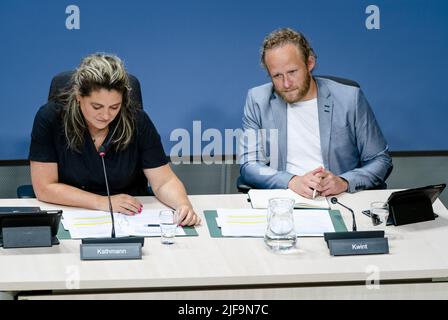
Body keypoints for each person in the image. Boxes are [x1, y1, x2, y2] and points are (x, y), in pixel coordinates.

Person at [29, 53, 200, 226]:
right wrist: (103, 202)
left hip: (130, 215)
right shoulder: (51, 118)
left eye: (114, 107)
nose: (105, 115)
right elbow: (45, 188)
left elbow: (164, 182)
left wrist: (183, 205)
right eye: (97, 106)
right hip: (71, 213)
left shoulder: (137, 120)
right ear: (78, 96)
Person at [239, 28, 392, 198]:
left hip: (339, 198)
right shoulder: (257, 100)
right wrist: (291, 181)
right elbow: (249, 164)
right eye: (277, 76)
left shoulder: (349, 98)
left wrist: (344, 181)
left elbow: (380, 160)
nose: (286, 83)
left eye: (292, 72)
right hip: (285, 197)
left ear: (309, 63)